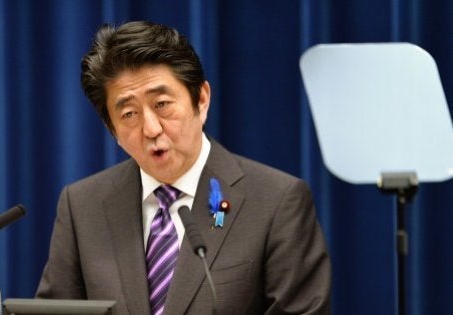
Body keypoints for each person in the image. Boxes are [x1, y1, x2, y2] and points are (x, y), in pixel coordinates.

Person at [36, 21, 331, 314]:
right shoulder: (83, 206)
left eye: (162, 104)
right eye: (129, 113)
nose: (150, 129)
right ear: (111, 128)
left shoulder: (276, 201)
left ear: (200, 100)